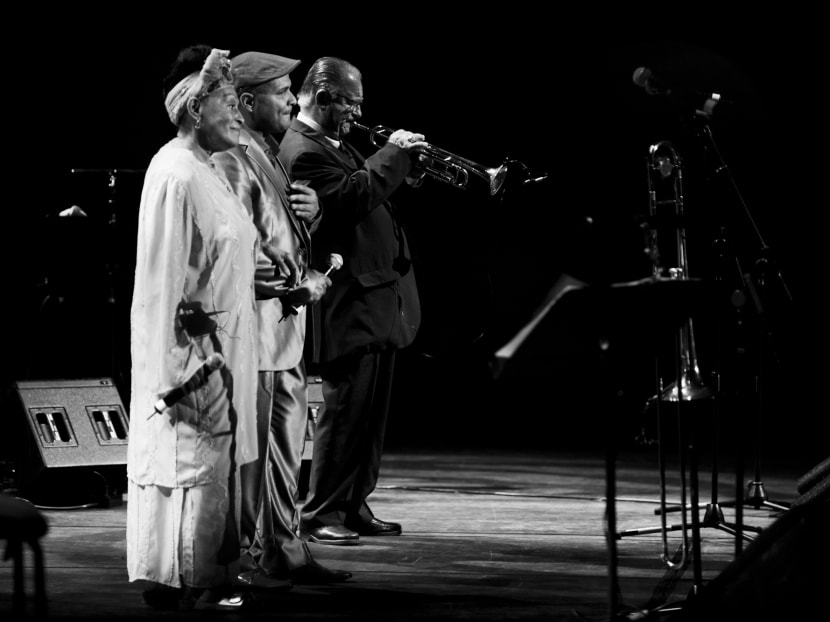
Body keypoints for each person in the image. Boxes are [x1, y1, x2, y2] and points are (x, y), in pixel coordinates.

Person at [126, 44, 260, 610]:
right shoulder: (175, 173)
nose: (239, 114)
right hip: (193, 361)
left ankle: (211, 578)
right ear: (192, 107)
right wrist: (171, 371)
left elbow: (222, 259)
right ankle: (186, 580)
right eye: (228, 103)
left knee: (218, 467)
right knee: (193, 467)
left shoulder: (212, 169)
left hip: (228, 348)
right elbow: (163, 282)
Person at [213, 51, 351, 583]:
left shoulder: (265, 151)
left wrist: (310, 213)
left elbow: (276, 226)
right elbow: (238, 246)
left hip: (284, 326)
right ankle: (253, 555)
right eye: (282, 91)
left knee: (286, 450)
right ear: (247, 103)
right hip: (263, 324)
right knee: (260, 453)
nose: (294, 100)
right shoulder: (232, 157)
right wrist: (295, 284)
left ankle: (282, 549)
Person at [278, 56, 426, 545]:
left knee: (369, 416)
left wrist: (398, 166)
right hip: (347, 300)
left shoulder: (329, 143)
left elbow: (363, 190)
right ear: (323, 97)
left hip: (375, 297)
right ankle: (320, 512)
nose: (357, 113)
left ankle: (353, 503)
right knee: (344, 413)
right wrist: (392, 155)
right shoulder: (301, 150)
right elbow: (350, 199)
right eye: (350, 103)